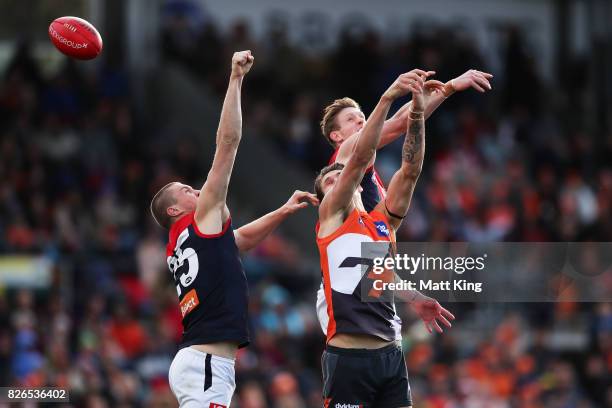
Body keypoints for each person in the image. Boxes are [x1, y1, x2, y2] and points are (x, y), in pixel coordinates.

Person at [150, 50, 318, 407]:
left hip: (202, 359)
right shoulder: (197, 219)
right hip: (207, 361)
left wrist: (283, 211)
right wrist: (236, 79)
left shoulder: (182, 240)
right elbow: (228, 145)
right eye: (185, 189)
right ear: (175, 208)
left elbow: (237, 241)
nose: (195, 189)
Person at [314, 69, 454, 407]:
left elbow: (410, 171)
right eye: (353, 119)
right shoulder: (333, 210)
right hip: (346, 330)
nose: (337, 184)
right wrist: (389, 96)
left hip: (387, 345)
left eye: (363, 117)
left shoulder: (379, 220)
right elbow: (369, 147)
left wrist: (420, 108)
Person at [316, 69, 492, 334]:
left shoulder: (371, 181)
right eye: (353, 120)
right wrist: (450, 89)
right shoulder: (347, 152)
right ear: (336, 136)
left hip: (368, 280)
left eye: (363, 117)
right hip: (343, 288)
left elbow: (402, 121)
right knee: (363, 360)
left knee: (387, 354)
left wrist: (439, 92)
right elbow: (399, 124)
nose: (362, 123)